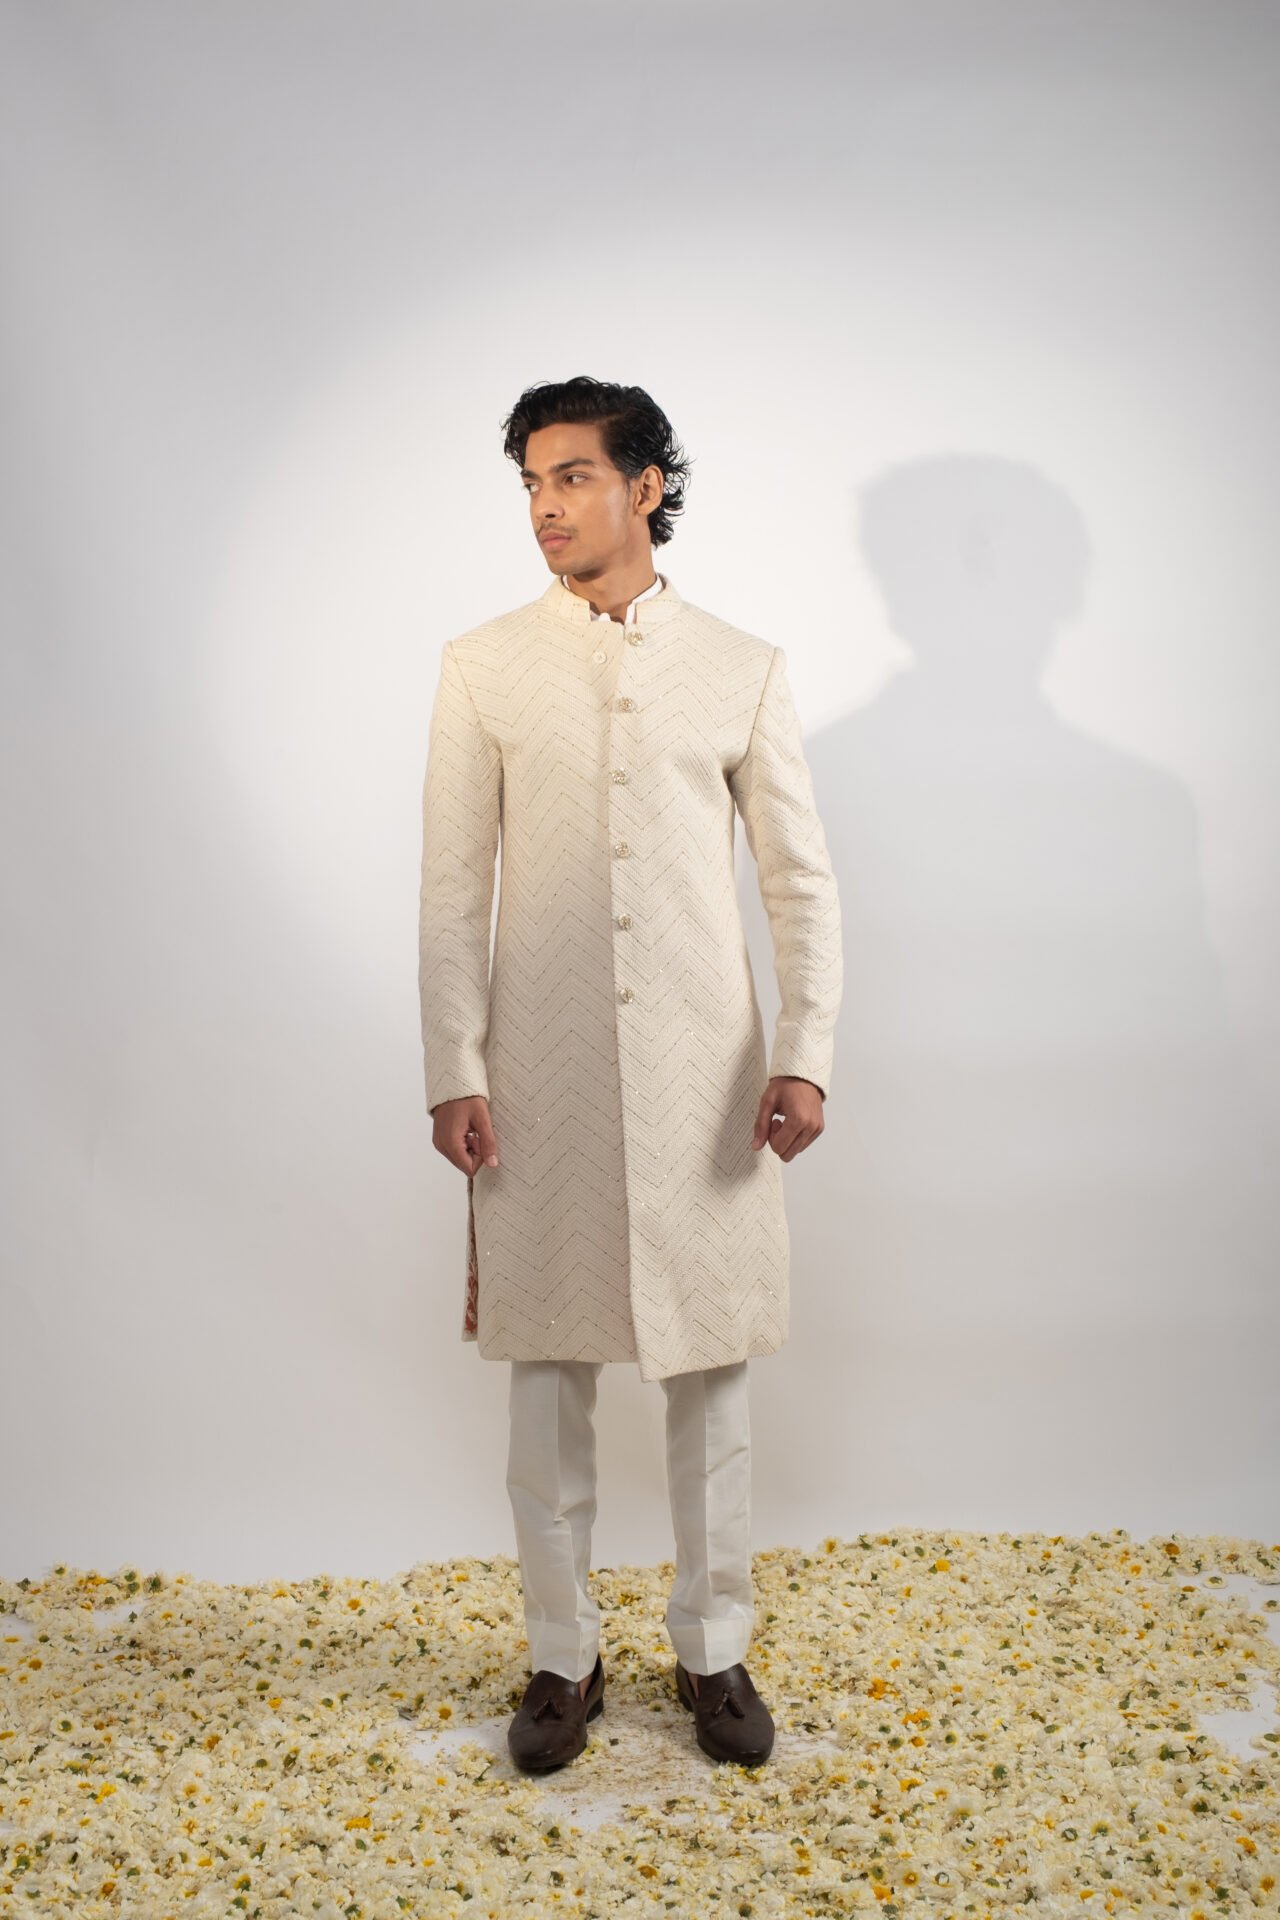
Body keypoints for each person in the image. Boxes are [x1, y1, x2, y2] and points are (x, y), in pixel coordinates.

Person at [418, 375, 842, 1772]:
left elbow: (798, 883)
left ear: (646, 485)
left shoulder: (740, 666)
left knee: (709, 1379)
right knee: (546, 1383)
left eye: (574, 478)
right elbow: (449, 889)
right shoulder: (483, 665)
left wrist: (805, 1054)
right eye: (532, 484)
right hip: (535, 1078)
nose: (546, 508)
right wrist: (454, 1066)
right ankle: (562, 1656)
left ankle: (714, 1650)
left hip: (707, 1077)